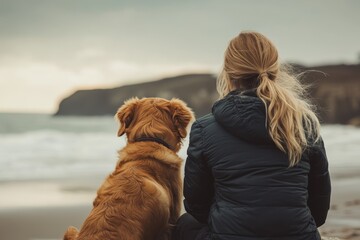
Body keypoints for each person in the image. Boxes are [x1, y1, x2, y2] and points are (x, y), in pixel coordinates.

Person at [173, 31, 331, 240]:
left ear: (228, 74)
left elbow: (196, 205)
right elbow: (318, 212)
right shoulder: (305, 125)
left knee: (185, 224)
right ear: (275, 70)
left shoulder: (205, 129)